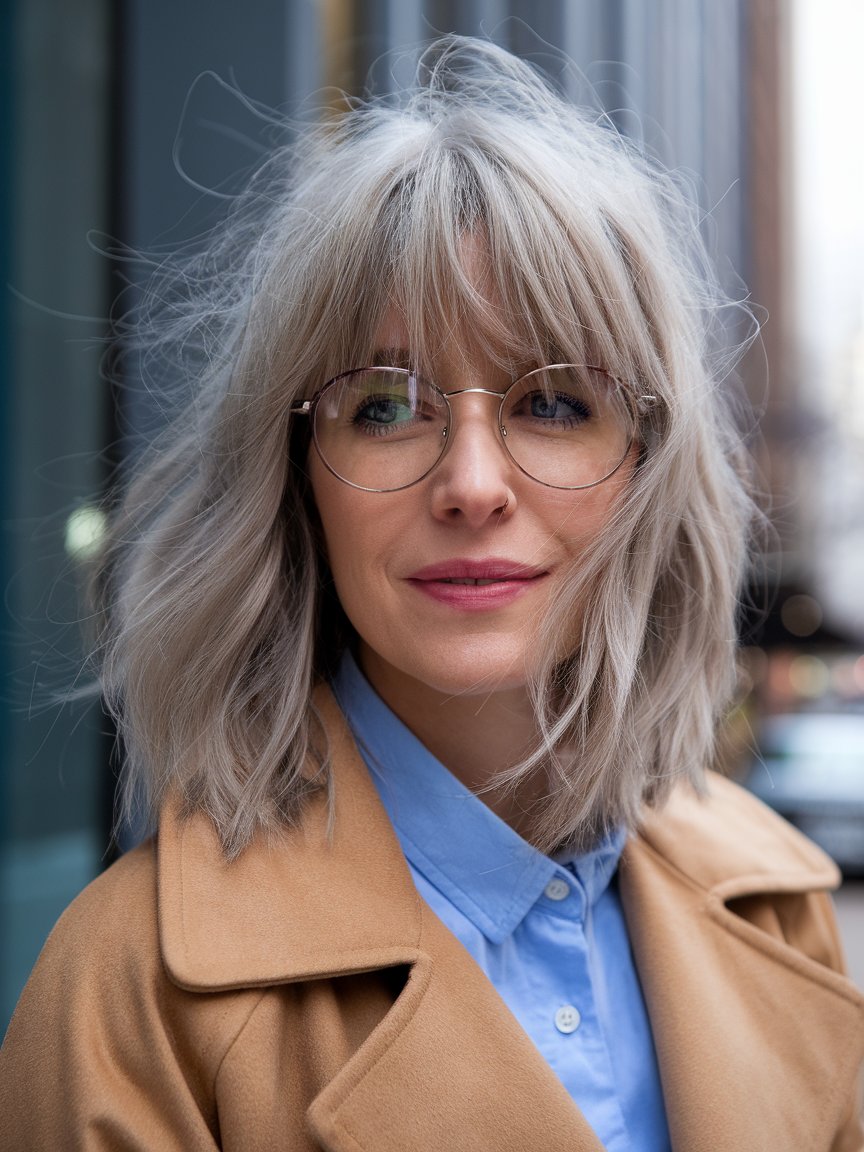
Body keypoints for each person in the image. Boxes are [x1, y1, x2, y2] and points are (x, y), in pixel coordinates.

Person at [1, 35, 862, 1151]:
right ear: (298, 481)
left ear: (649, 473)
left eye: (554, 403)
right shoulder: (129, 1000)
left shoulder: (781, 911)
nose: (469, 484)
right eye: (384, 405)